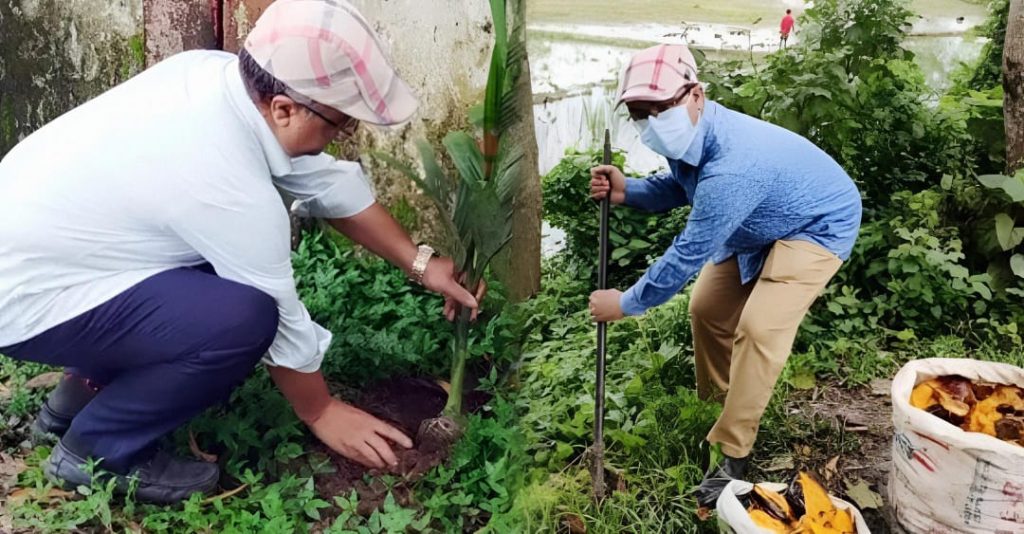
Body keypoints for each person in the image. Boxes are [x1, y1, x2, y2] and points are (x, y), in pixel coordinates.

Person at [0, 0, 483, 504]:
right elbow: (279, 313)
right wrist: (320, 410)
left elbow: (321, 182)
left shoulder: (214, 79)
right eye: (340, 124)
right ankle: (95, 448)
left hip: (49, 257)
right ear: (283, 108)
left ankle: (73, 402)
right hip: (27, 299)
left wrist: (420, 262)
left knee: (203, 280)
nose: (341, 137)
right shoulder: (226, 184)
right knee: (243, 318)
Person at [588, 44, 861, 508]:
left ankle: (734, 452)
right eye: (638, 112)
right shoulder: (694, 137)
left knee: (758, 329)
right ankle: (719, 403)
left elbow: (687, 253)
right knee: (707, 309)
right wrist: (627, 191)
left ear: (696, 95)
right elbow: (680, 185)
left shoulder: (733, 166)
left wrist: (627, 303)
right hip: (760, 220)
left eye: (660, 108)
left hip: (817, 223)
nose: (650, 121)